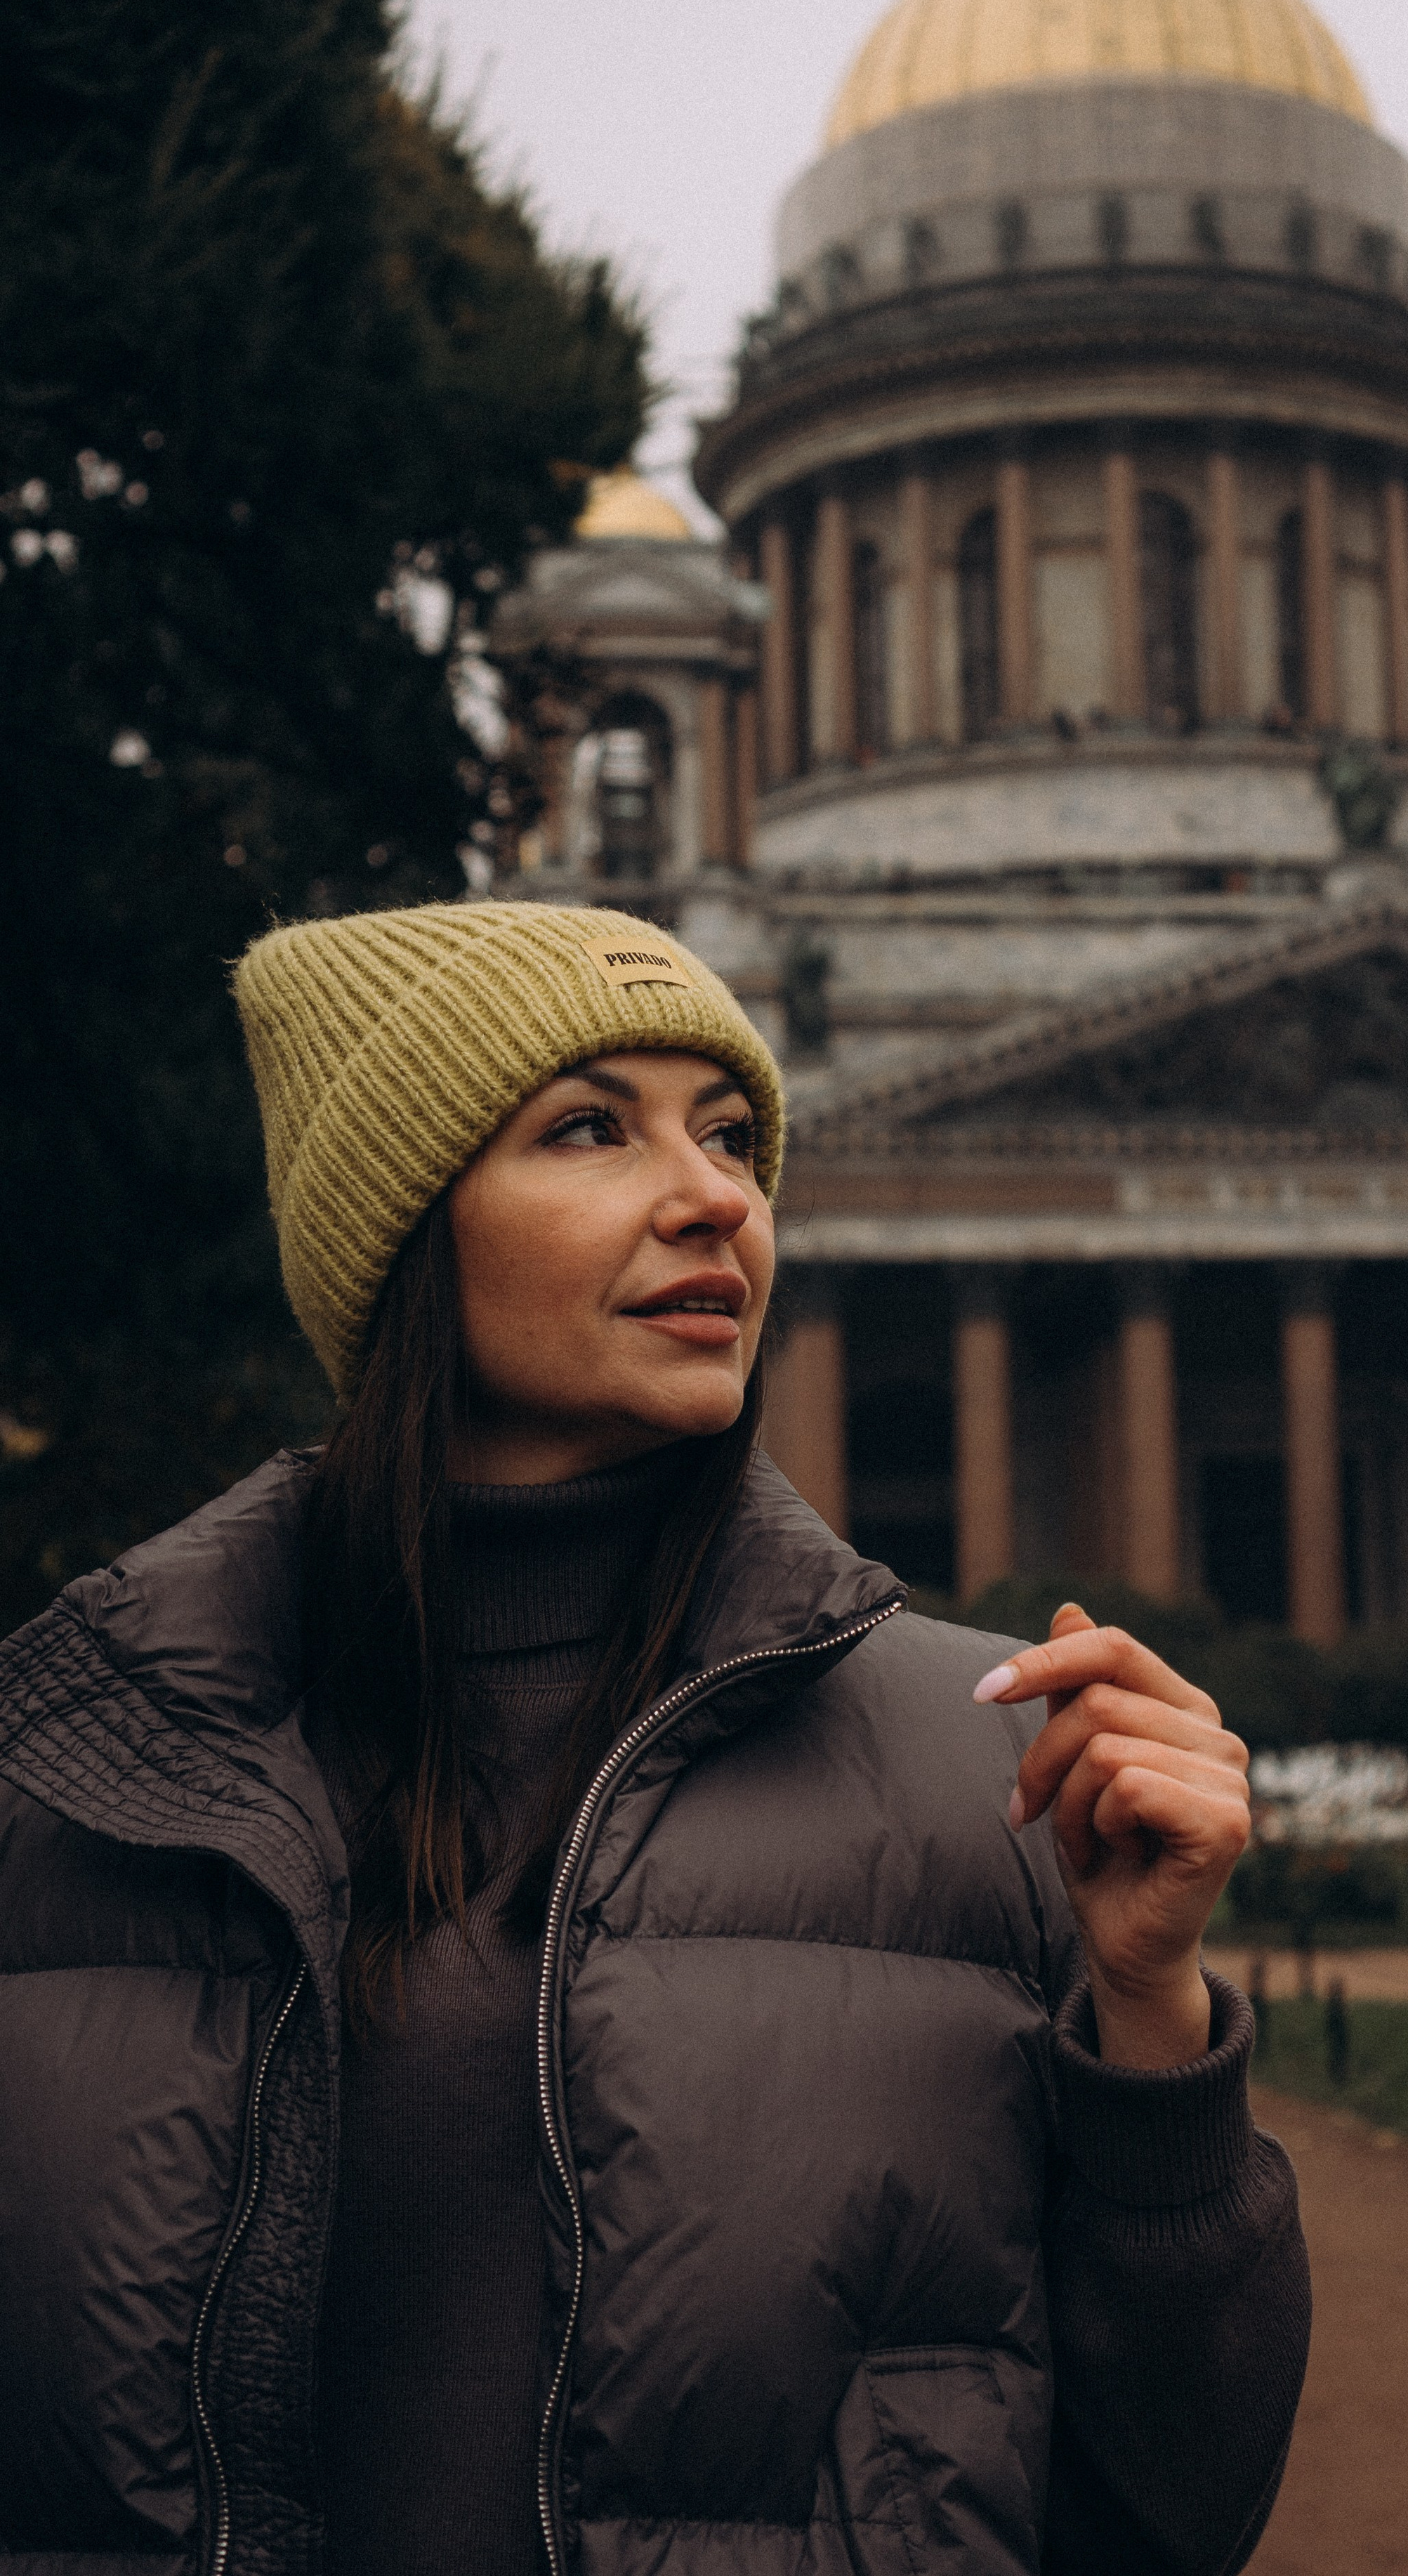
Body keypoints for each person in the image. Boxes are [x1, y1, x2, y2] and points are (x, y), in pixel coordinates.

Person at [0, 902, 1308, 2576]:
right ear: (400, 1231)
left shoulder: (995, 1772)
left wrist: (1151, 2027)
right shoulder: (71, 1784)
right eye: (589, 1128)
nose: (717, 1198)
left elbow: (1162, 2515)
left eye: (734, 1135)